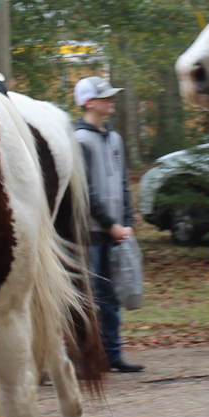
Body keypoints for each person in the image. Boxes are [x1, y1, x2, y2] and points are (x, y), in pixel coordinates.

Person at [72, 76, 142, 373]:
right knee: (88, 297)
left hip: (114, 231)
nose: (111, 100)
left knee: (112, 296)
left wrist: (127, 220)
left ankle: (113, 353)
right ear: (89, 102)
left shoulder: (115, 138)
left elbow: (123, 182)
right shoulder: (79, 139)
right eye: (105, 96)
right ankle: (87, 356)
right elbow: (85, 191)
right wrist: (111, 224)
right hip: (89, 232)